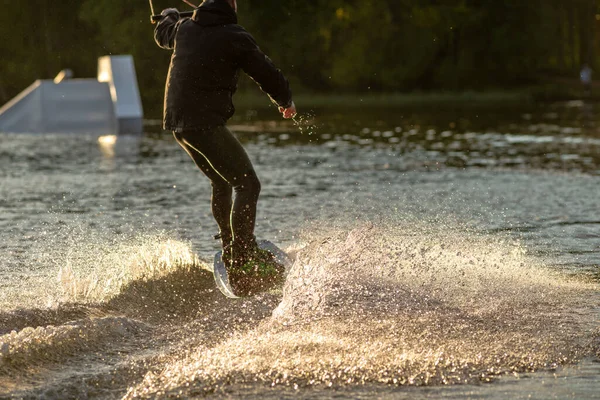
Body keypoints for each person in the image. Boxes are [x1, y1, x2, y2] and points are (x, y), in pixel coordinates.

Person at [154, 0, 296, 294]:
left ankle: (233, 247)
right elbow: (265, 72)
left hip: (178, 125)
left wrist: (166, 16)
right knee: (248, 184)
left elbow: (161, 33)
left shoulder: (184, 28)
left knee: (222, 182)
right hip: (204, 125)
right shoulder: (234, 35)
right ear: (230, 5)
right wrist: (285, 100)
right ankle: (243, 261)